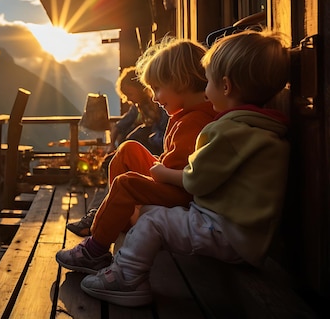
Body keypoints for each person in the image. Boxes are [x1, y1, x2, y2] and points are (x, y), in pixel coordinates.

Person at [78, 29, 291, 307]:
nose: (205, 88)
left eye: (209, 82)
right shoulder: (260, 129)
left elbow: (195, 180)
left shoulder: (228, 131)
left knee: (152, 220)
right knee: (152, 215)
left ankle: (127, 278)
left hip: (225, 231)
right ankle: (120, 256)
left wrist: (160, 173)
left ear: (224, 86)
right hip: (245, 234)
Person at [59, 37, 217, 257]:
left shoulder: (196, 120)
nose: (154, 97)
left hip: (182, 192)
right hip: (170, 179)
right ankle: (113, 216)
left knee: (126, 184)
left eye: (158, 88)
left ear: (180, 82)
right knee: (128, 149)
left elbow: (183, 175)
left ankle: (95, 249)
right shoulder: (185, 114)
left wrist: (158, 171)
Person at [109, 66, 168, 156]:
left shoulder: (161, 105)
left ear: (141, 89)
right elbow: (120, 125)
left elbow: (165, 133)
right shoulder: (137, 107)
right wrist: (112, 144)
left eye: (130, 94)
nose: (128, 99)